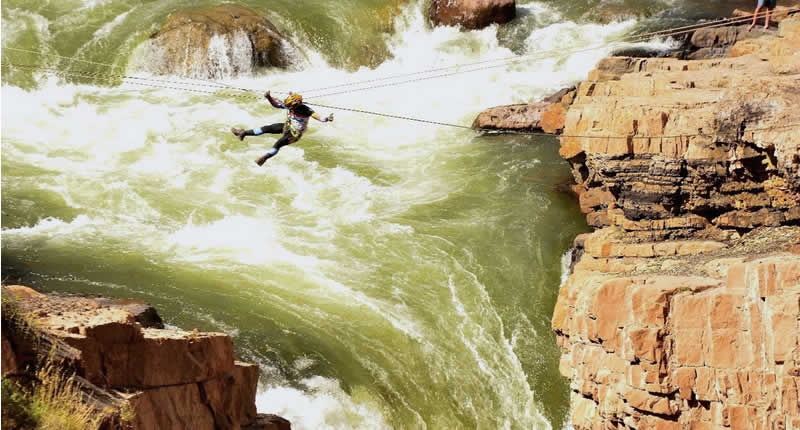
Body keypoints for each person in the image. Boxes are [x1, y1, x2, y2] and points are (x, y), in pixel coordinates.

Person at [232, 91, 334, 166]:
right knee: (267, 128)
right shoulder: (290, 105)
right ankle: (243, 133)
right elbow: (277, 104)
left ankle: (264, 158)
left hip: (294, 134)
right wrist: (269, 98)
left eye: (290, 107)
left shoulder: (305, 110)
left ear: (296, 105)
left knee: (278, 144)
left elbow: (318, 117)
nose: (288, 108)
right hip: (287, 126)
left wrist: (327, 119)